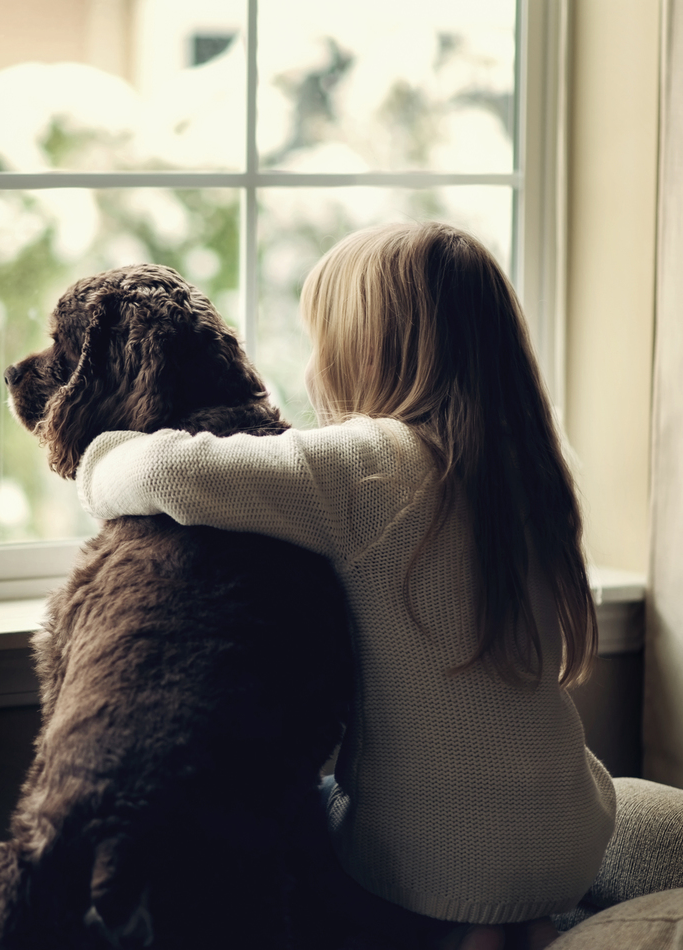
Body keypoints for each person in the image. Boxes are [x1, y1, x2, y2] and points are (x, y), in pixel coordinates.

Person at [75, 222, 617, 950]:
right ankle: (516, 917)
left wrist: (99, 453)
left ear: (369, 350)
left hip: (427, 856)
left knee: (311, 811)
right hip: (571, 835)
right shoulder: (542, 467)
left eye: (321, 342)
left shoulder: (370, 466)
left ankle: (461, 920)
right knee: (507, 816)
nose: (311, 369)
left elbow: (169, 473)